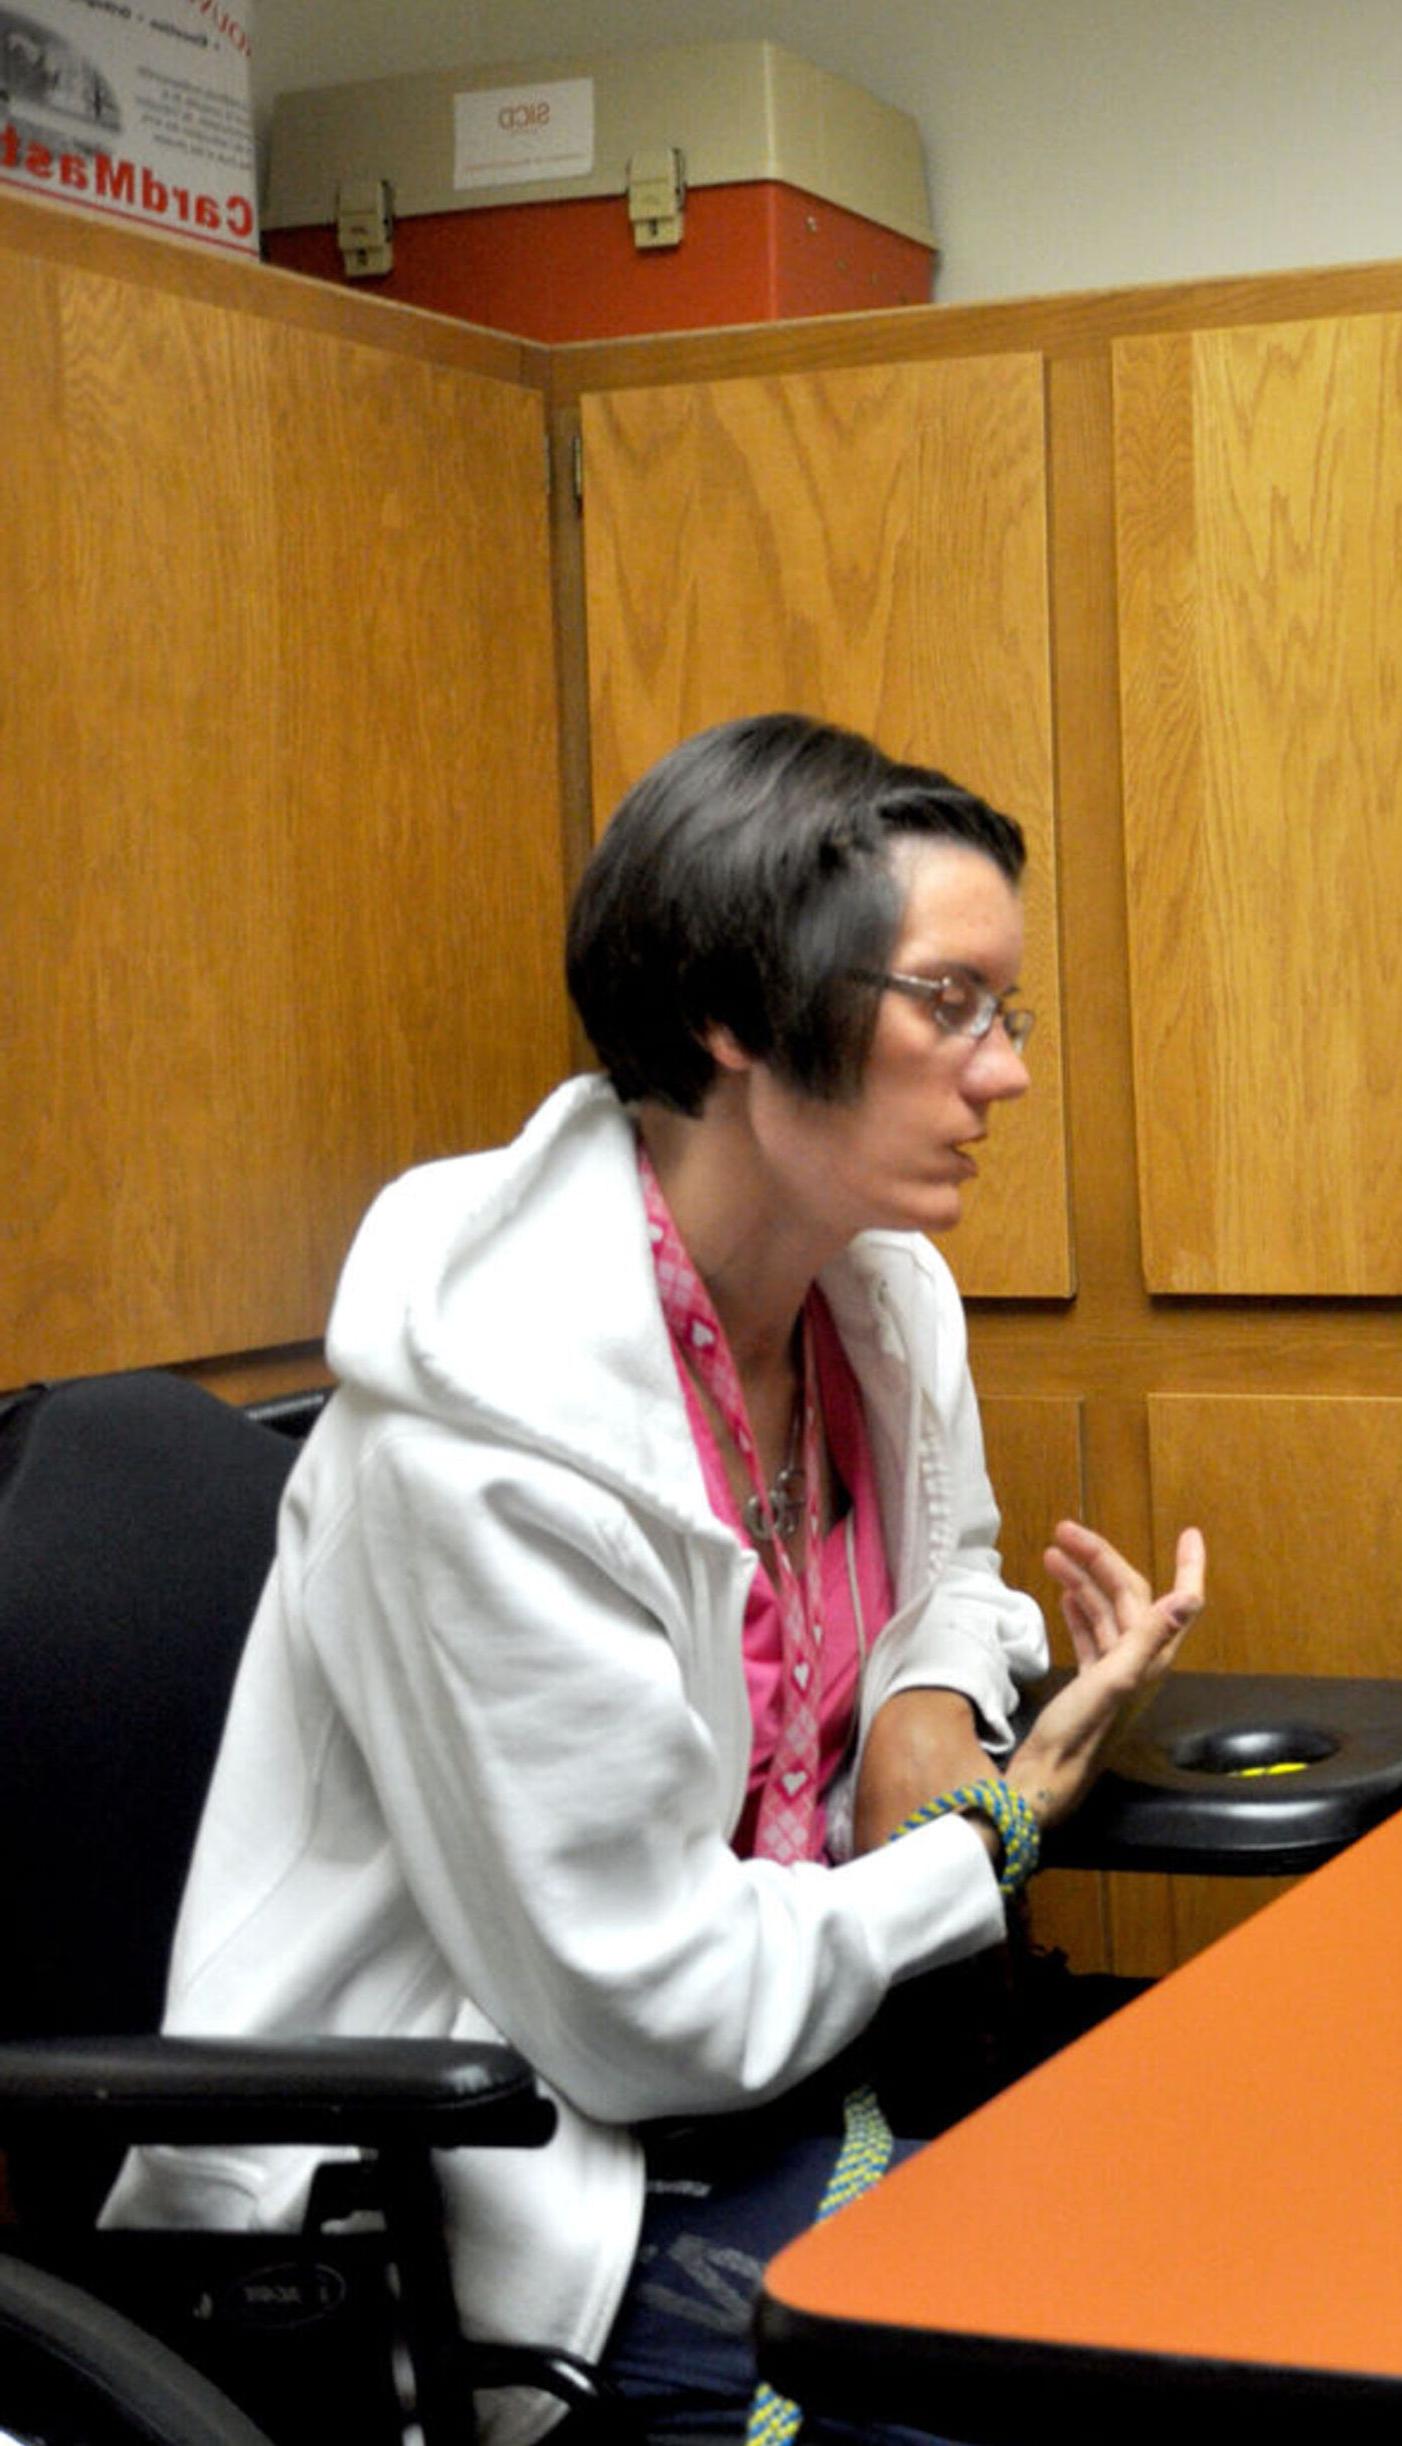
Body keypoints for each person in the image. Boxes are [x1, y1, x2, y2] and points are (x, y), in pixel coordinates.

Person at [105, 714, 1201, 2441]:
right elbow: (648, 2015)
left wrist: (928, 1684)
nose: (1005, 1072)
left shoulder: (877, 1291)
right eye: (951, 1002)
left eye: (1012, 1011)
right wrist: (983, 1842)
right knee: (1061, 2376)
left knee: (1246, 2249)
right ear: (737, 1016)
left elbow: (954, 1565)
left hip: (781, 2071)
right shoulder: (484, 1438)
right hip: (504, 2180)